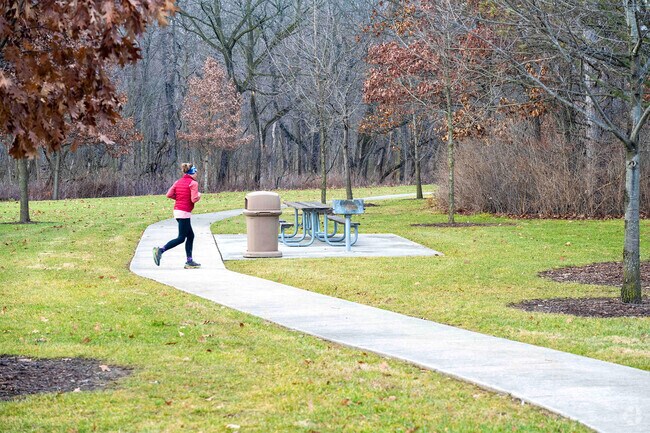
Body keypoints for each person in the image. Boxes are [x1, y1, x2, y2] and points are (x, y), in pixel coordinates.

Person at [153, 163, 202, 269]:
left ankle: (189, 261)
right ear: (192, 173)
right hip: (184, 213)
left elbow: (169, 194)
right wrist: (199, 195)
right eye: (196, 172)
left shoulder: (178, 182)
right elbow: (194, 199)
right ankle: (160, 250)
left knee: (190, 236)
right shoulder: (193, 183)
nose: (197, 174)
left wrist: (180, 199)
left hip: (177, 212)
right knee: (181, 238)